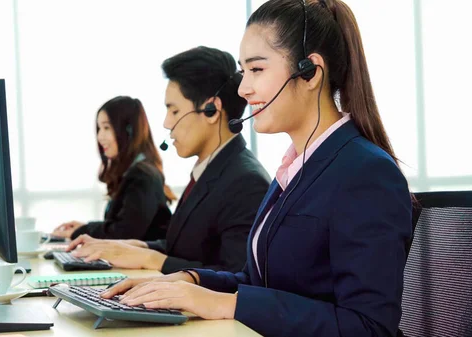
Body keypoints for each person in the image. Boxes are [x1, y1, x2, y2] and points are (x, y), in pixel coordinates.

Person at [98, 1, 413, 336]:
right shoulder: (296, 168)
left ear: (310, 72)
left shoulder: (365, 173)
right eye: (243, 71)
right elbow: (256, 281)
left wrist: (226, 304)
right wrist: (189, 280)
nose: (242, 88)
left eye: (256, 70)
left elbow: (369, 327)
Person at [67, 46, 271, 274]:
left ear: (212, 110)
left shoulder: (246, 182)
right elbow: (185, 249)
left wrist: (151, 258)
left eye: (174, 111)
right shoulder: (211, 169)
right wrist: (133, 247)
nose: (166, 123)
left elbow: (235, 277)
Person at [51, 96, 175, 241]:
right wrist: (84, 228)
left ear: (129, 131)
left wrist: (82, 231)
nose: (100, 136)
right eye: (99, 128)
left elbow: (123, 234)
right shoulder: (134, 172)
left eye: (107, 128)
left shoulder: (143, 175)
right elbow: (123, 225)